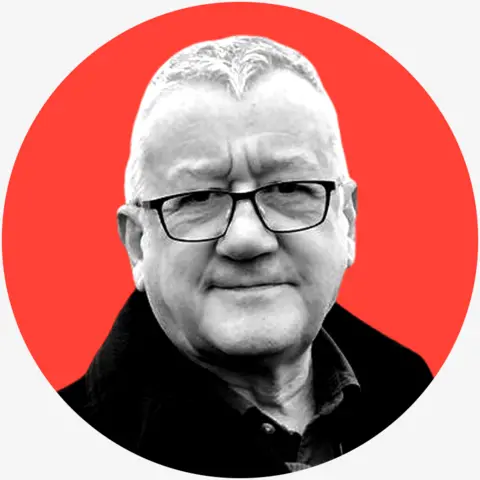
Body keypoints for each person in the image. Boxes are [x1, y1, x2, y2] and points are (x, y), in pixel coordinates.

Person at [59, 36, 433, 477]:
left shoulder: (422, 400)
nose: (246, 239)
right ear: (138, 243)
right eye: (198, 197)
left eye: (288, 189)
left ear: (346, 222)